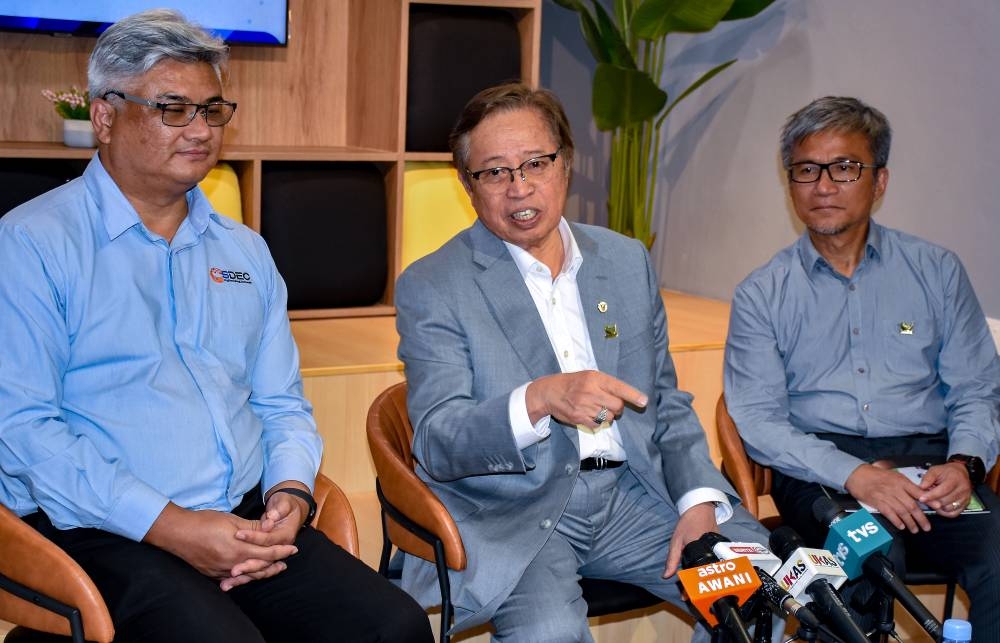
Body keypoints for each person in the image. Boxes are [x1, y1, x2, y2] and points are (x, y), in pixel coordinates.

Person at [0, 10, 432, 643]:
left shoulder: (244, 251)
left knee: (394, 627)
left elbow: (282, 403)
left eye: (211, 110)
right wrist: (171, 526)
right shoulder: (30, 244)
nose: (200, 130)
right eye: (173, 110)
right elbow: (24, 432)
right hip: (96, 527)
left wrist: (291, 494)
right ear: (104, 117)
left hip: (244, 517)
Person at [394, 82, 777, 643]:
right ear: (467, 186)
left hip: (634, 494)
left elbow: (666, 402)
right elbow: (437, 439)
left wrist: (696, 499)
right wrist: (539, 399)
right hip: (518, 511)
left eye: (535, 163)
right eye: (494, 172)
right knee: (548, 633)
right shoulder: (433, 284)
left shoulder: (624, 260)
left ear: (565, 164)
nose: (519, 187)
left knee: (761, 594)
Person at [724, 96, 1000, 637]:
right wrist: (856, 475)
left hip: (931, 468)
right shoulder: (762, 293)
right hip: (821, 470)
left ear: (879, 181)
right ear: (790, 183)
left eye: (845, 168)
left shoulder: (937, 272)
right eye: (807, 169)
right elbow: (758, 421)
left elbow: (976, 387)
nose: (823, 186)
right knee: (868, 564)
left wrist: (964, 464)